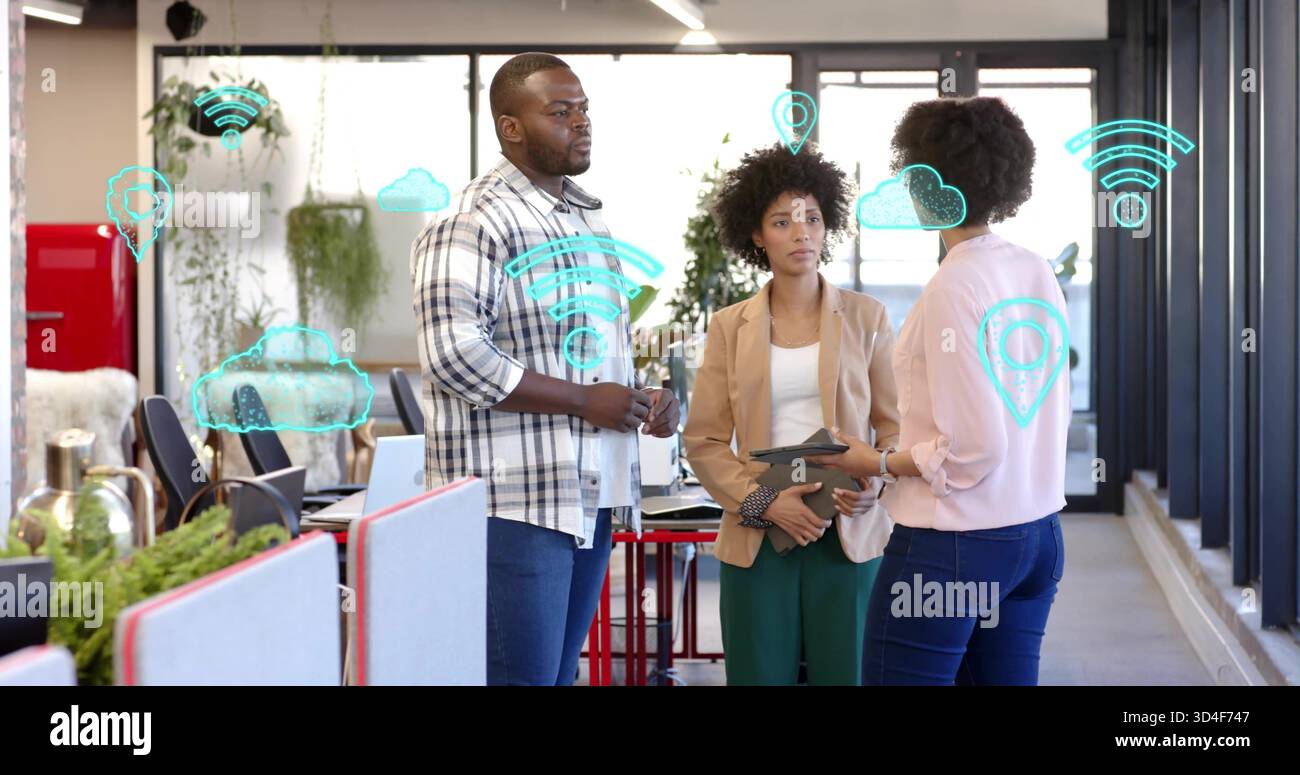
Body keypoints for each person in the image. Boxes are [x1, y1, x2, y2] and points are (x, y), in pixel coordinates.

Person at [409, 52, 680, 685]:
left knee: (557, 678)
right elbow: (455, 357)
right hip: (514, 503)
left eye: (584, 109)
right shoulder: (473, 220)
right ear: (511, 127)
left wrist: (642, 398)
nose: (580, 123)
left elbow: (585, 353)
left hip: (589, 493)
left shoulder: (585, 218)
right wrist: (586, 401)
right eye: (560, 112)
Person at [808, 96, 1070, 686]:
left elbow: (974, 448)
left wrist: (874, 460)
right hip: (1037, 538)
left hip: (954, 546)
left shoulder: (956, 283)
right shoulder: (1032, 268)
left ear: (929, 185)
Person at [683, 143, 901, 685]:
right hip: (759, 533)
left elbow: (896, 425)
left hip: (847, 530)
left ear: (827, 227)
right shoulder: (730, 327)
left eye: (811, 218)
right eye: (782, 221)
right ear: (757, 235)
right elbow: (705, 439)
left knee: (848, 675)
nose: (801, 231)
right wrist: (764, 502)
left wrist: (879, 483)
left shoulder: (867, 317)